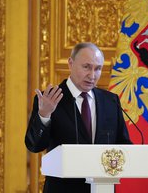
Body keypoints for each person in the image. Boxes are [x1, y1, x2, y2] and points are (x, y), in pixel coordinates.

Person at [25, 42, 132, 193]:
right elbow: (34, 146)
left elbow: (124, 145)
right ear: (70, 63)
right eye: (86, 67)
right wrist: (44, 115)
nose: (92, 75)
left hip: (102, 188)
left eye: (98, 69)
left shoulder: (110, 101)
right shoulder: (49, 99)